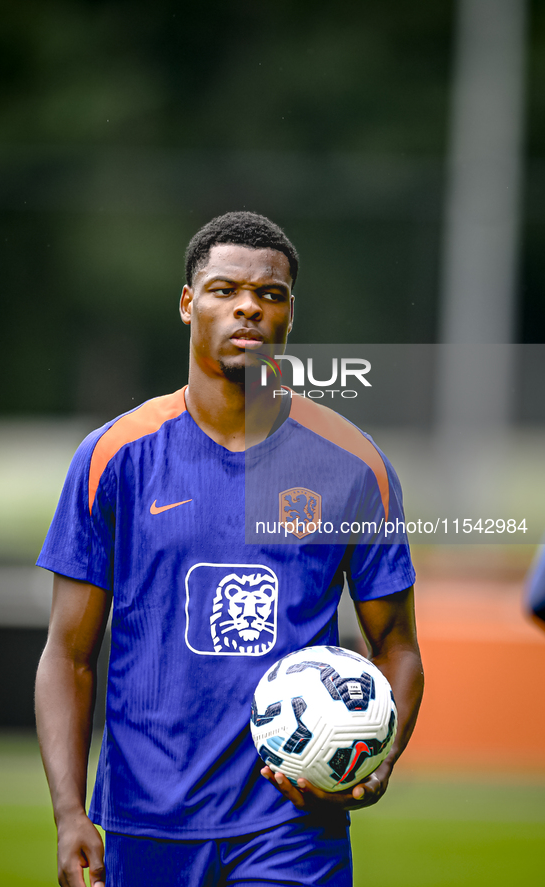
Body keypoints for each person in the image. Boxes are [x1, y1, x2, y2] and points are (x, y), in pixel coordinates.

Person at [35, 211, 424, 887]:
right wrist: (70, 812)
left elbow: (398, 647)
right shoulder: (111, 457)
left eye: (269, 294)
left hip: (292, 821)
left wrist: (376, 762)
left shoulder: (353, 464)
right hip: (143, 821)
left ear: (288, 315)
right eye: (223, 289)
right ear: (188, 304)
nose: (247, 305)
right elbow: (68, 655)